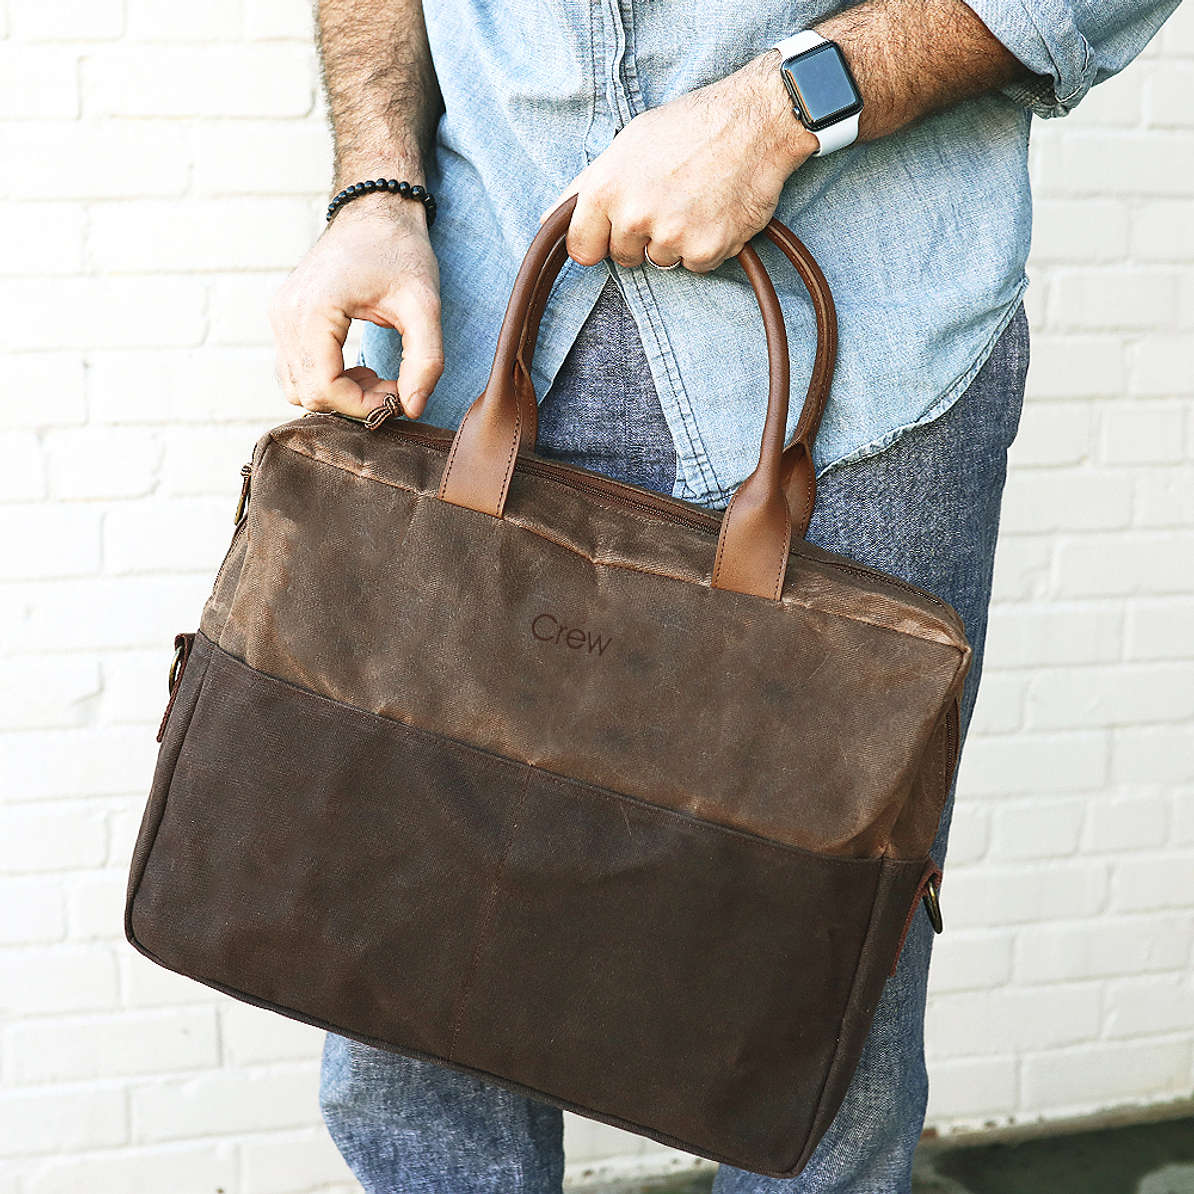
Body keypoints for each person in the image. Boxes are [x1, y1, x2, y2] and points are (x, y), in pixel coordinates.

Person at [269, 2, 1177, 1190]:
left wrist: (790, 101)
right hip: (475, 308)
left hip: (856, 360)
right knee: (401, 975)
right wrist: (375, 187)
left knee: (810, 1006)